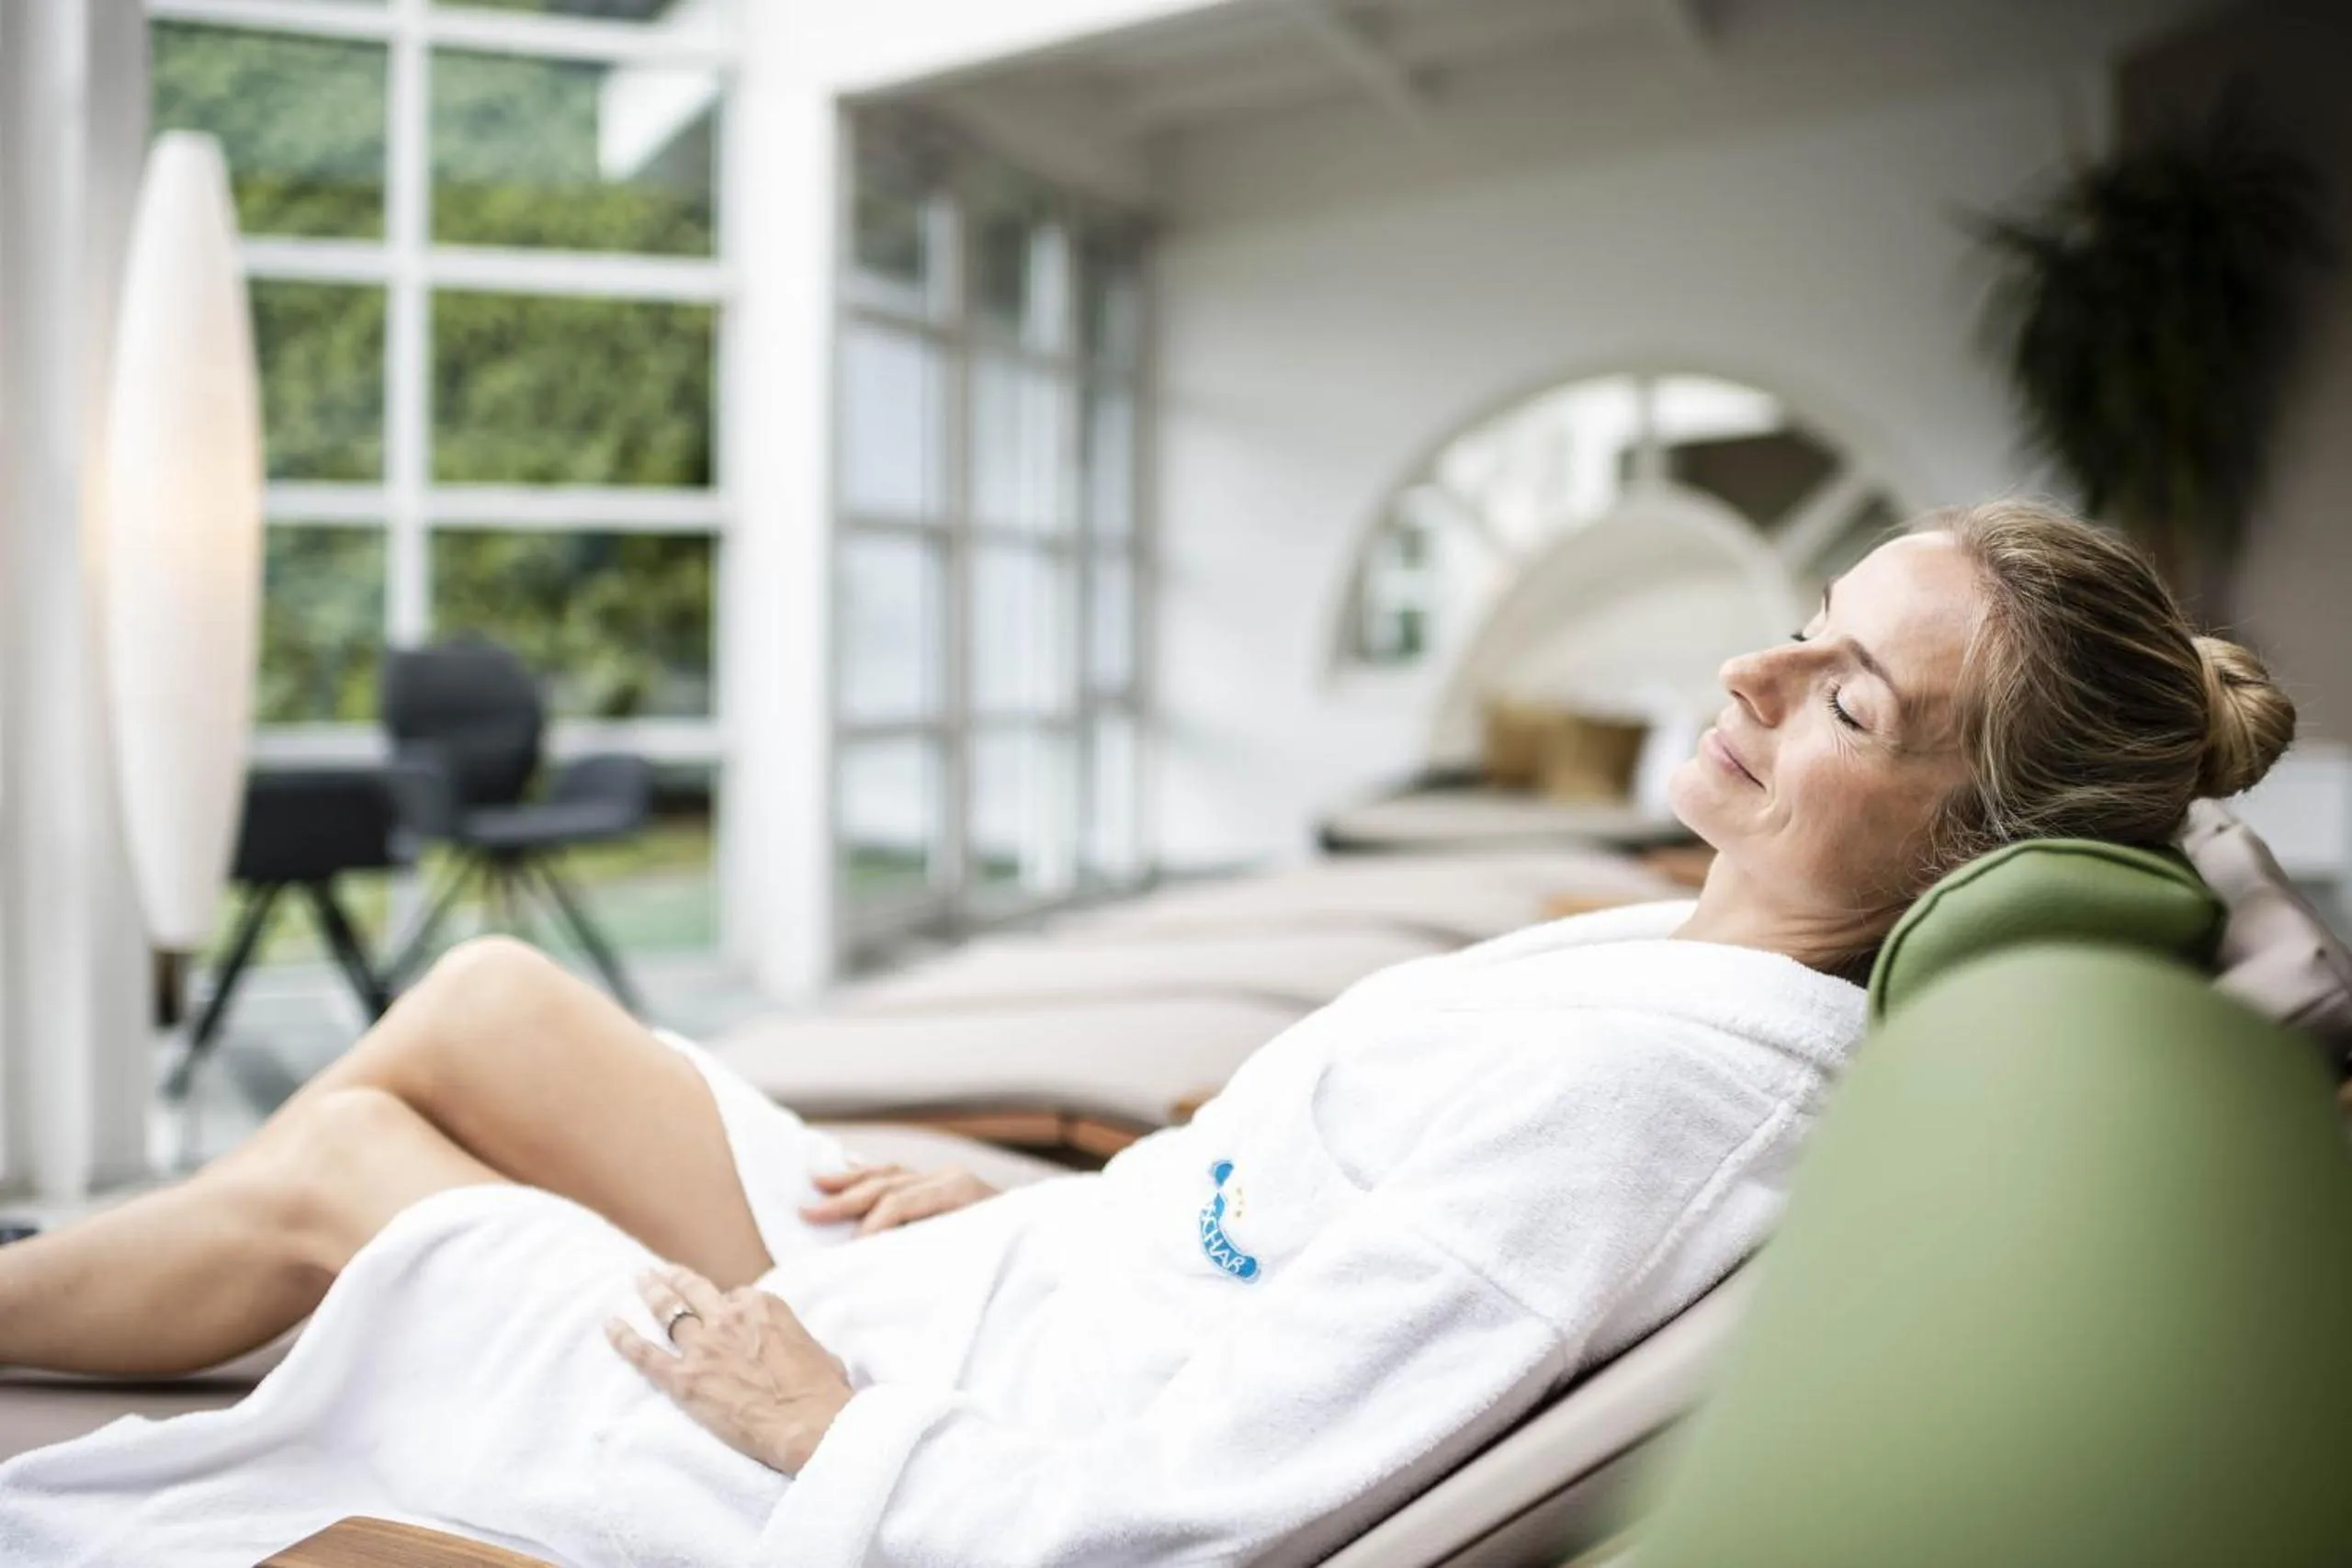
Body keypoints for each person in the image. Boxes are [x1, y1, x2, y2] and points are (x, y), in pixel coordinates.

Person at [0, 501, 2295, 1565]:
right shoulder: (1677, 959)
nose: (1746, 675)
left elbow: (1209, 1511)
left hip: (936, 1435)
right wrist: (1046, 1187)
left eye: (1845, 697)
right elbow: (1288, 1225)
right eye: (1801, 623)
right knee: (489, 1005)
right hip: (1020, 1276)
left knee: (355, 1173)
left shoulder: (1650, 1100)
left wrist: (828, 1426)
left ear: (1964, 837)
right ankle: (164, 1299)